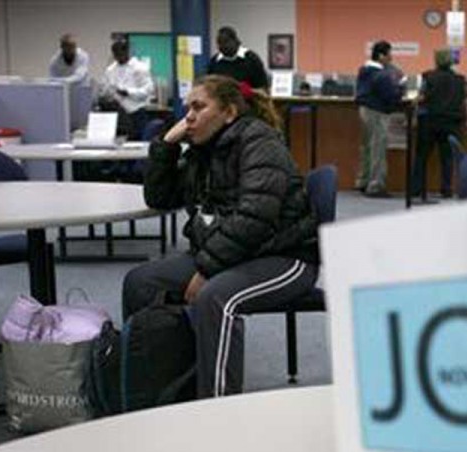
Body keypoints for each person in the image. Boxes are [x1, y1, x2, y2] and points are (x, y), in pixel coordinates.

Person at [122, 75, 319, 399]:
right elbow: (160, 197)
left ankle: (217, 410)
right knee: (141, 282)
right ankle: (153, 391)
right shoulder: (204, 149)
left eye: (199, 107)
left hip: (286, 255)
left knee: (216, 298)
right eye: (187, 108)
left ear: (228, 113)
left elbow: (255, 216)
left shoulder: (260, 141)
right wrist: (167, 147)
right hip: (231, 253)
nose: (189, 116)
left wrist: (206, 269)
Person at [410, 48, 466, 202]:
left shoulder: (428, 76)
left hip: (430, 121)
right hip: (451, 122)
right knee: (447, 157)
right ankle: (446, 189)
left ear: (436, 60)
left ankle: (416, 188)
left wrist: (415, 104)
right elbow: (463, 102)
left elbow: (422, 97)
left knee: (422, 156)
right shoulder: (460, 79)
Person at [355, 40, 403, 198]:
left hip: (364, 111)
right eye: (389, 54)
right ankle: (376, 186)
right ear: (381, 56)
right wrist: (400, 86)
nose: (391, 57)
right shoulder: (381, 75)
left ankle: (363, 180)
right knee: (378, 149)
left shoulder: (364, 70)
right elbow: (392, 97)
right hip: (377, 112)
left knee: (367, 147)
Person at [99, 39, 155, 140]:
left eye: (119, 52)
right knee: (118, 143)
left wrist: (128, 92)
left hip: (136, 113)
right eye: (115, 53)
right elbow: (105, 89)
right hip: (117, 114)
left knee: (137, 143)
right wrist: (107, 96)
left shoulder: (140, 67)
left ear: (126, 51)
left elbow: (148, 90)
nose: (117, 56)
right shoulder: (110, 70)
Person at [207, 26, 269, 91]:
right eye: (219, 43)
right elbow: (209, 86)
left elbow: (263, 89)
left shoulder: (251, 59)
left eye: (225, 42)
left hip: (246, 99)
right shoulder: (214, 61)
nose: (222, 46)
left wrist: (249, 91)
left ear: (235, 41)